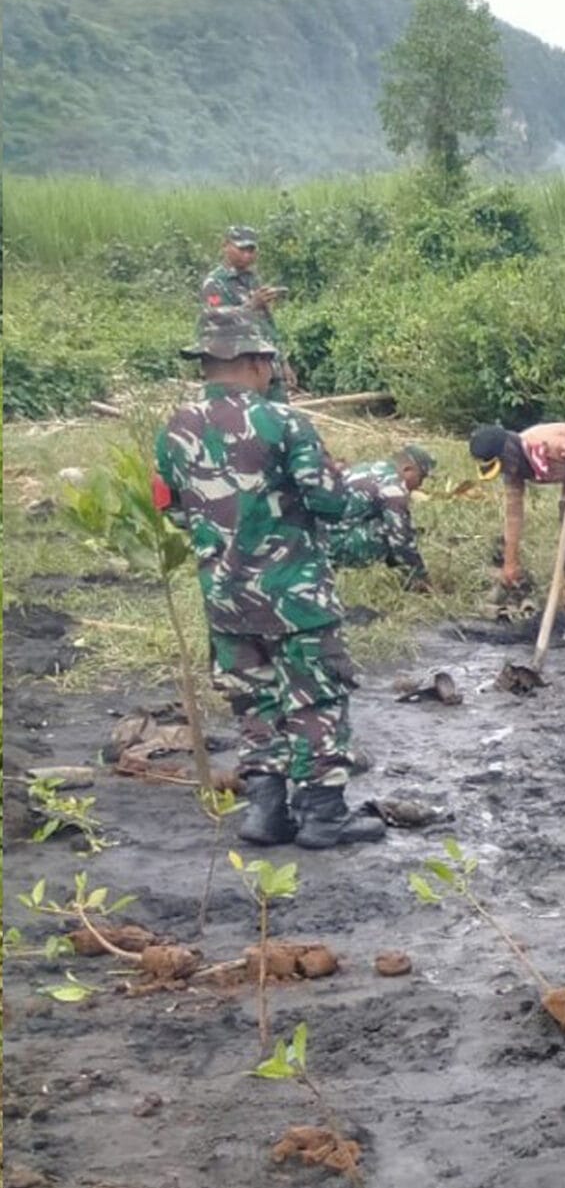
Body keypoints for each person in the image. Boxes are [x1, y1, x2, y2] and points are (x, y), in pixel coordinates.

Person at [153, 306, 384, 849]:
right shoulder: (284, 421)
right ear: (258, 362)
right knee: (316, 699)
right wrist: (368, 493)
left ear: (206, 363)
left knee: (254, 703)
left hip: (225, 597)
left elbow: (173, 508)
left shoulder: (176, 428)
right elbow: (329, 502)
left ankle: (266, 812)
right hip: (294, 595)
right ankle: (324, 815)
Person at [471, 421, 565, 622]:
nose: (505, 471)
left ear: (509, 453)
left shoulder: (555, 446)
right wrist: (510, 562)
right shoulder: (513, 470)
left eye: (503, 466)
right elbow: (513, 515)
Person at [321, 444, 435, 590]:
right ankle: (412, 583)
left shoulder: (367, 468)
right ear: (408, 469)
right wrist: (421, 576)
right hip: (334, 547)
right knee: (396, 530)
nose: (419, 485)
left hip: (317, 540)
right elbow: (401, 539)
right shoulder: (393, 489)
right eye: (421, 477)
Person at [199, 225, 293, 399]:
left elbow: (267, 323)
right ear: (225, 246)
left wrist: (282, 361)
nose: (247, 255)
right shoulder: (215, 283)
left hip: (267, 367)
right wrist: (251, 305)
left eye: (251, 250)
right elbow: (216, 322)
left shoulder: (252, 279)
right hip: (239, 370)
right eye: (241, 249)